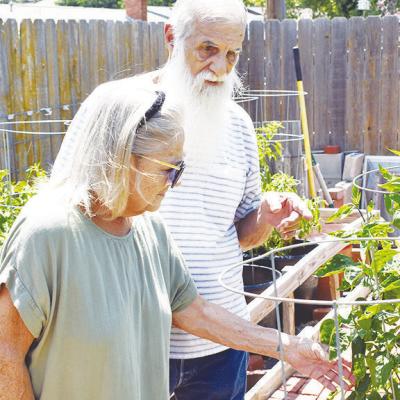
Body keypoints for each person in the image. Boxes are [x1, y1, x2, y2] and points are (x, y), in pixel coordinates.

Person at [50, 2, 353, 399]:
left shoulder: (239, 126)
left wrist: (264, 215)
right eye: (207, 49)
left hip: (222, 347)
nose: (221, 67)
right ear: (172, 38)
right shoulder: (116, 108)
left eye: (232, 54)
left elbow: (242, 235)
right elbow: (64, 211)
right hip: (135, 343)